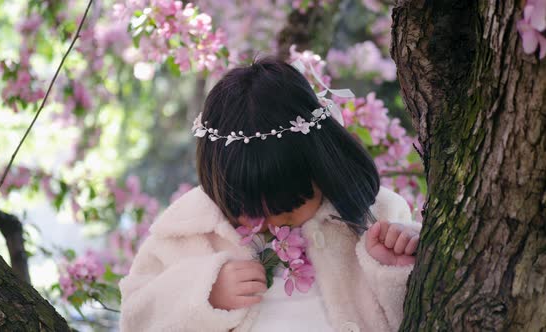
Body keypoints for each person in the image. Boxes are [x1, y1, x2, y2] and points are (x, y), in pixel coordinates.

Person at [118, 57, 421, 332]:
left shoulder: (376, 218)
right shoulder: (185, 234)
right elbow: (136, 317)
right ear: (219, 185)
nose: (274, 223)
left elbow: (417, 317)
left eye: (289, 207)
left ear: (321, 169)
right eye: (250, 210)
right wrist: (203, 293)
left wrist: (394, 273)